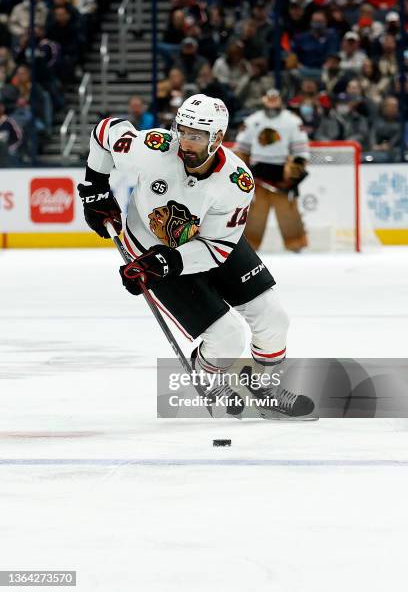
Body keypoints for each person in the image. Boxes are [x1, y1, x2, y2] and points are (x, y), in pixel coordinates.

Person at [77, 93, 314, 418]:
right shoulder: (154, 148)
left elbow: (216, 249)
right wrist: (95, 188)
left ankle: (264, 385)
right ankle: (208, 375)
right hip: (149, 246)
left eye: (196, 136)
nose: (185, 142)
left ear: (217, 138)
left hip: (211, 242)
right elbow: (105, 131)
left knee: (274, 319)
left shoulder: (236, 183)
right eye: (183, 130)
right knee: (227, 338)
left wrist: (170, 261)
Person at [234, 89, 310, 252]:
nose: (272, 103)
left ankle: (296, 244)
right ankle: (248, 248)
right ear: (264, 100)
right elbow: (241, 150)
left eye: (275, 99)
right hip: (258, 173)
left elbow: (301, 151)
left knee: (288, 212)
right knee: (254, 214)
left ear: (280, 100)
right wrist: (243, 171)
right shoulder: (252, 121)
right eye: (270, 99)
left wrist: (293, 174)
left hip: (282, 172)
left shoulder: (292, 121)